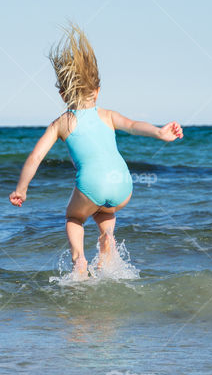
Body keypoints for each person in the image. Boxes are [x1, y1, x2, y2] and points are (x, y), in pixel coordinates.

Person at [10, 24, 183, 276]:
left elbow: (35, 157)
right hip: (123, 184)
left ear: (62, 94)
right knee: (105, 210)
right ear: (97, 91)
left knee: (74, 218)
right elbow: (134, 126)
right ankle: (107, 244)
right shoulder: (108, 115)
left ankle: (79, 260)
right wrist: (159, 132)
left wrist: (21, 189)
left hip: (92, 184)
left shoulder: (61, 123)